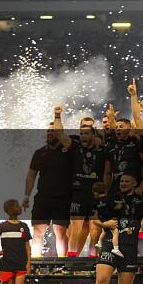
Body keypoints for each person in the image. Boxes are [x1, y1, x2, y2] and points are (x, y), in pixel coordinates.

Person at [86, 172, 143, 284]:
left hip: (129, 247)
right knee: (101, 280)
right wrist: (105, 224)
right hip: (109, 244)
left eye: (127, 181)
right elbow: (93, 216)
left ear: (135, 184)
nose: (123, 183)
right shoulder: (109, 199)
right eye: (121, 181)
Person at [56, 106, 106, 257]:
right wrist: (57, 115)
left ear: (93, 134)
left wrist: (105, 190)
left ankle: (93, 258)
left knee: (95, 229)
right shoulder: (75, 146)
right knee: (75, 227)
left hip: (96, 195)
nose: (83, 136)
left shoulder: (102, 149)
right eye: (81, 133)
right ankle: (71, 258)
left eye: (86, 133)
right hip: (78, 193)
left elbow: (108, 172)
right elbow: (59, 134)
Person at [24, 109, 73, 257]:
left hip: (62, 198)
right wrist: (26, 196)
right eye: (48, 131)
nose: (50, 134)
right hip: (43, 197)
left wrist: (58, 116)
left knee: (60, 232)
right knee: (38, 231)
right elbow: (31, 175)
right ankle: (35, 261)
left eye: (53, 131)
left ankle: (62, 263)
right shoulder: (39, 153)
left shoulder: (68, 151)